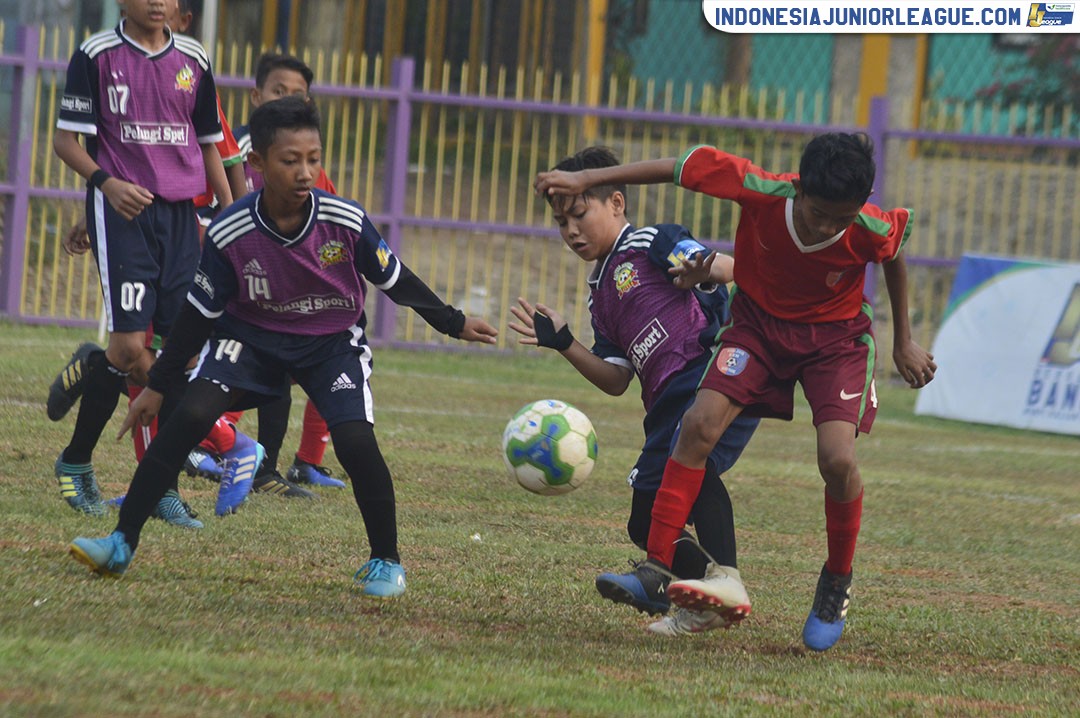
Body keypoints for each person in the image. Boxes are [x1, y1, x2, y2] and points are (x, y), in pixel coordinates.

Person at [68, 96, 498, 598]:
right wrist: (157, 388)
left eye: (313, 158)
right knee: (188, 416)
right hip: (250, 339)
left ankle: (386, 561)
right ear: (257, 165)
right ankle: (120, 543)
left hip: (331, 343)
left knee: (356, 442)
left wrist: (453, 321)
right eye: (290, 160)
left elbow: (395, 279)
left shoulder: (346, 221)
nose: (305, 171)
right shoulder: (232, 231)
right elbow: (196, 319)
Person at [535, 133, 937, 652]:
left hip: (834, 343)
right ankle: (659, 568)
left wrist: (903, 338)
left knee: (836, 460)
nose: (826, 226)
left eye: (840, 217)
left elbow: (894, 251)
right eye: (817, 213)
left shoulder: (865, 224)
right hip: (758, 331)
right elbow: (677, 166)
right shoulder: (760, 190)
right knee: (696, 427)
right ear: (799, 191)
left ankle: (835, 580)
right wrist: (586, 179)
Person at [510, 147, 760, 636]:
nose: (572, 231)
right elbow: (616, 378)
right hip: (664, 405)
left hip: (708, 373)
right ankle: (704, 597)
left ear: (617, 204)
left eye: (580, 214)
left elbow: (731, 270)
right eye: (561, 223)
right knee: (643, 521)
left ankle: (722, 577)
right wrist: (564, 343)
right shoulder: (598, 293)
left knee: (694, 461)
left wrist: (703, 269)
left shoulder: (652, 242)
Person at [48, 0, 232, 517]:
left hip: (180, 222)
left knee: (182, 356)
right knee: (130, 347)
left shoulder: (194, 60)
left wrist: (233, 219)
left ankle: (162, 490)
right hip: (124, 214)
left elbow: (209, 145)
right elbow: (66, 142)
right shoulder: (96, 54)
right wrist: (106, 185)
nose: (158, 2)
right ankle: (76, 461)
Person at [231, 51, 348, 491]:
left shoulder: (309, 167)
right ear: (257, 95)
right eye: (280, 92)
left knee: (338, 346)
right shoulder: (234, 151)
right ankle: (217, 445)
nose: (289, 101)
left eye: (299, 95)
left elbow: (333, 228)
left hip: (289, 287)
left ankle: (297, 463)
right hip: (237, 280)